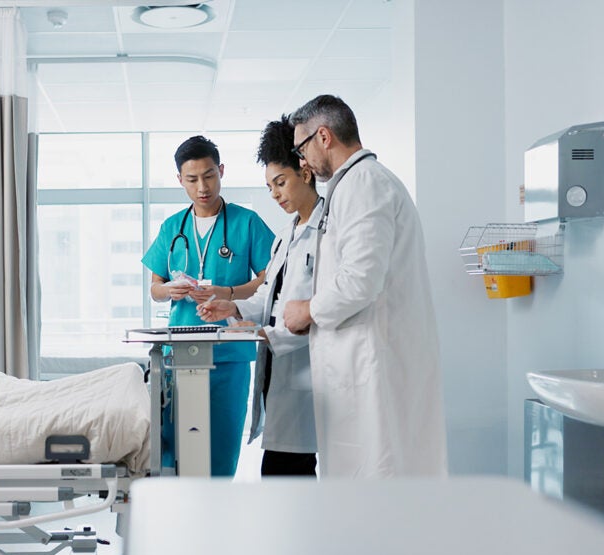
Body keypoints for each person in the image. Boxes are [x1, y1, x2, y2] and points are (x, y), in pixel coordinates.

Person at [283, 94, 447, 479]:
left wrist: (307, 309)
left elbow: (361, 279)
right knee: (368, 474)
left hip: (375, 362)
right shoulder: (353, 186)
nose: (302, 162)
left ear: (323, 136)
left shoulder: (365, 185)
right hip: (361, 362)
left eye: (301, 149)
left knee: (380, 473)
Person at [142, 135, 275, 477]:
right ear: (180, 180)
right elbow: (154, 288)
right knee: (178, 449)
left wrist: (227, 291)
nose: (202, 186)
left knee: (221, 448)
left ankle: (217, 521)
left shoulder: (247, 223)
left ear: (221, 171)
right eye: (192, 179)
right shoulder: (173, 227)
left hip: (229, 353)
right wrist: (168, 289)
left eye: (209, 175)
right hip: (181, 349)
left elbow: (270, 280)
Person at [198, 117, 323, 477]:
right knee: (284, 477)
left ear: (305, 170)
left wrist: (265, 333)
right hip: (281, 377)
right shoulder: (288, 234)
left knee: (287, 479)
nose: (276, 194)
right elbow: (272, 293)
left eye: (280, 183)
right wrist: (234, 306)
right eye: (270, 187)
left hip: (308, 377)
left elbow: (322, 308)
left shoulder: (326, 231)